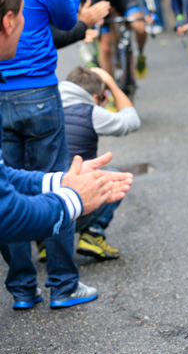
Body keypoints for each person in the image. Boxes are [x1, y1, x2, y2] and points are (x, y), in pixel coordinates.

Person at [0, 0, 106, 309]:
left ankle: (23, 290)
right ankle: (63, 285)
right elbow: (67, 20)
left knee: (7, 189)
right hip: (40, 94)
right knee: (57, 180)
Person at [60, 66, 141, 260]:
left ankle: (45, 243)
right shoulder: (91, 112)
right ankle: (93, 233)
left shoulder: (44, 103)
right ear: (97, 98)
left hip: (35, 208)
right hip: (71, 209)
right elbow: (132, 120)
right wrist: (112, 84)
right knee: (114, 178)